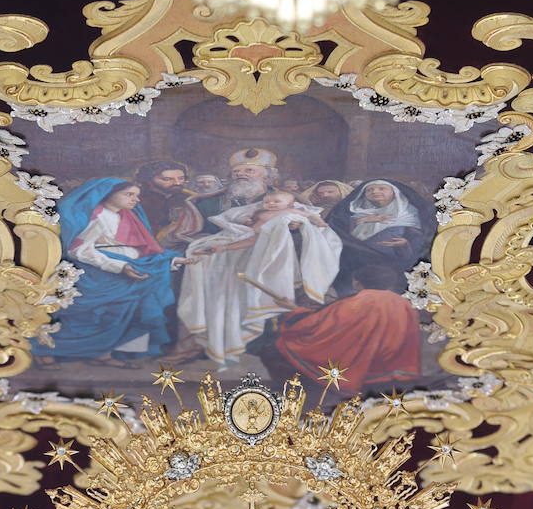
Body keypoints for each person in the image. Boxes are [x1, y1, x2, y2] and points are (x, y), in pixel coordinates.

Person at [176, 192, 343, 367]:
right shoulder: (261, 216)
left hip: (286, 267)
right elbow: (254, 238)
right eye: (267, 202)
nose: (271, 204)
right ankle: (257, 346)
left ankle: (293, 350)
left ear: (291, 204)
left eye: (277, 201)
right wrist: (224, 248)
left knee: (285, 308)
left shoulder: (295, 215)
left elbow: (314, 223)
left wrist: (311, 224)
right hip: (262, 263)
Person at [43, 177, 181, 362]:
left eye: (136, 195)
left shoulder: (128, 216)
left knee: (129, 312)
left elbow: (144, 250)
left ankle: (111, 353)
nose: (136, 199)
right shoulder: (98, 216)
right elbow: (78, 249)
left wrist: (170, 260)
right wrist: (119, 266)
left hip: (127, 274)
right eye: (129, 194)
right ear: (109, 194)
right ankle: (48, 351)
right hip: (100, 275)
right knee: (95, 316)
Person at [267, 262, 425, 394]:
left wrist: (294, 310)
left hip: (368, 371)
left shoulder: (357, 302)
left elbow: (318, 324)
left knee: (277, 346)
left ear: (357, 283)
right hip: (399, 368)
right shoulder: (404, 304)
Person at [328, 181, 436, 293]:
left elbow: (423, 240)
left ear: (395, 192)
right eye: (370, 190)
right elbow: (339, 234)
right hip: (357, 260)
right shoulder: (354, 211)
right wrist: (362, 220)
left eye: (381, 188)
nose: (375, 192)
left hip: (392, 261)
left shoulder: (409, 213)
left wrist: (406, 243)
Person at [133, 160, 205, 248]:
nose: (177, 183)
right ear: (148, 180)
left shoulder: (188, 196)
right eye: (167, 179)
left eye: (181, 178)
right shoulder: (136, 199)